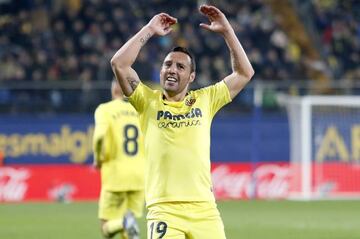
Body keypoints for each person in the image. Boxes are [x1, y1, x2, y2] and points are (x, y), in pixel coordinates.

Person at [110, 4, 254, 239]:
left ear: (191, 76)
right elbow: (119, 64)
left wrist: (227, 31)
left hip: (204, 209)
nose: (172, 70)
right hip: (164, 210)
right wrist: (149, 29)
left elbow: (244, 73)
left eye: (180, 66)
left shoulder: (206, 99)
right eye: (167, 64)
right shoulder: (147, 101)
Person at [93, 80, 145, 239]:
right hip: (139, 175)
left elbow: (99, 136)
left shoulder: (105, 109)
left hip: (115, 175)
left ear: (113, 90)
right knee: (129, 224)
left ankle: (123, 223)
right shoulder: (139, 111)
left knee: (106, 227)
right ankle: (127, 225)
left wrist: (97, 158)